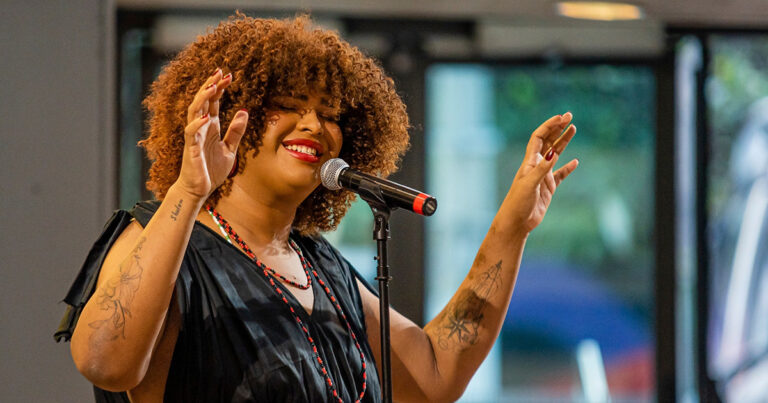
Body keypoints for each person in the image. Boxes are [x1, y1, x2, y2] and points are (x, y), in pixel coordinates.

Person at [55, 13, 579, 403]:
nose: (313, 124)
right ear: (238, 114)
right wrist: (190, 192)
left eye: (330, 113)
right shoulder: (161, 236)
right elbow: (105, 362)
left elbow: (436, 374)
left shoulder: (322, 268)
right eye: (287, 104)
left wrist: (511, 228)